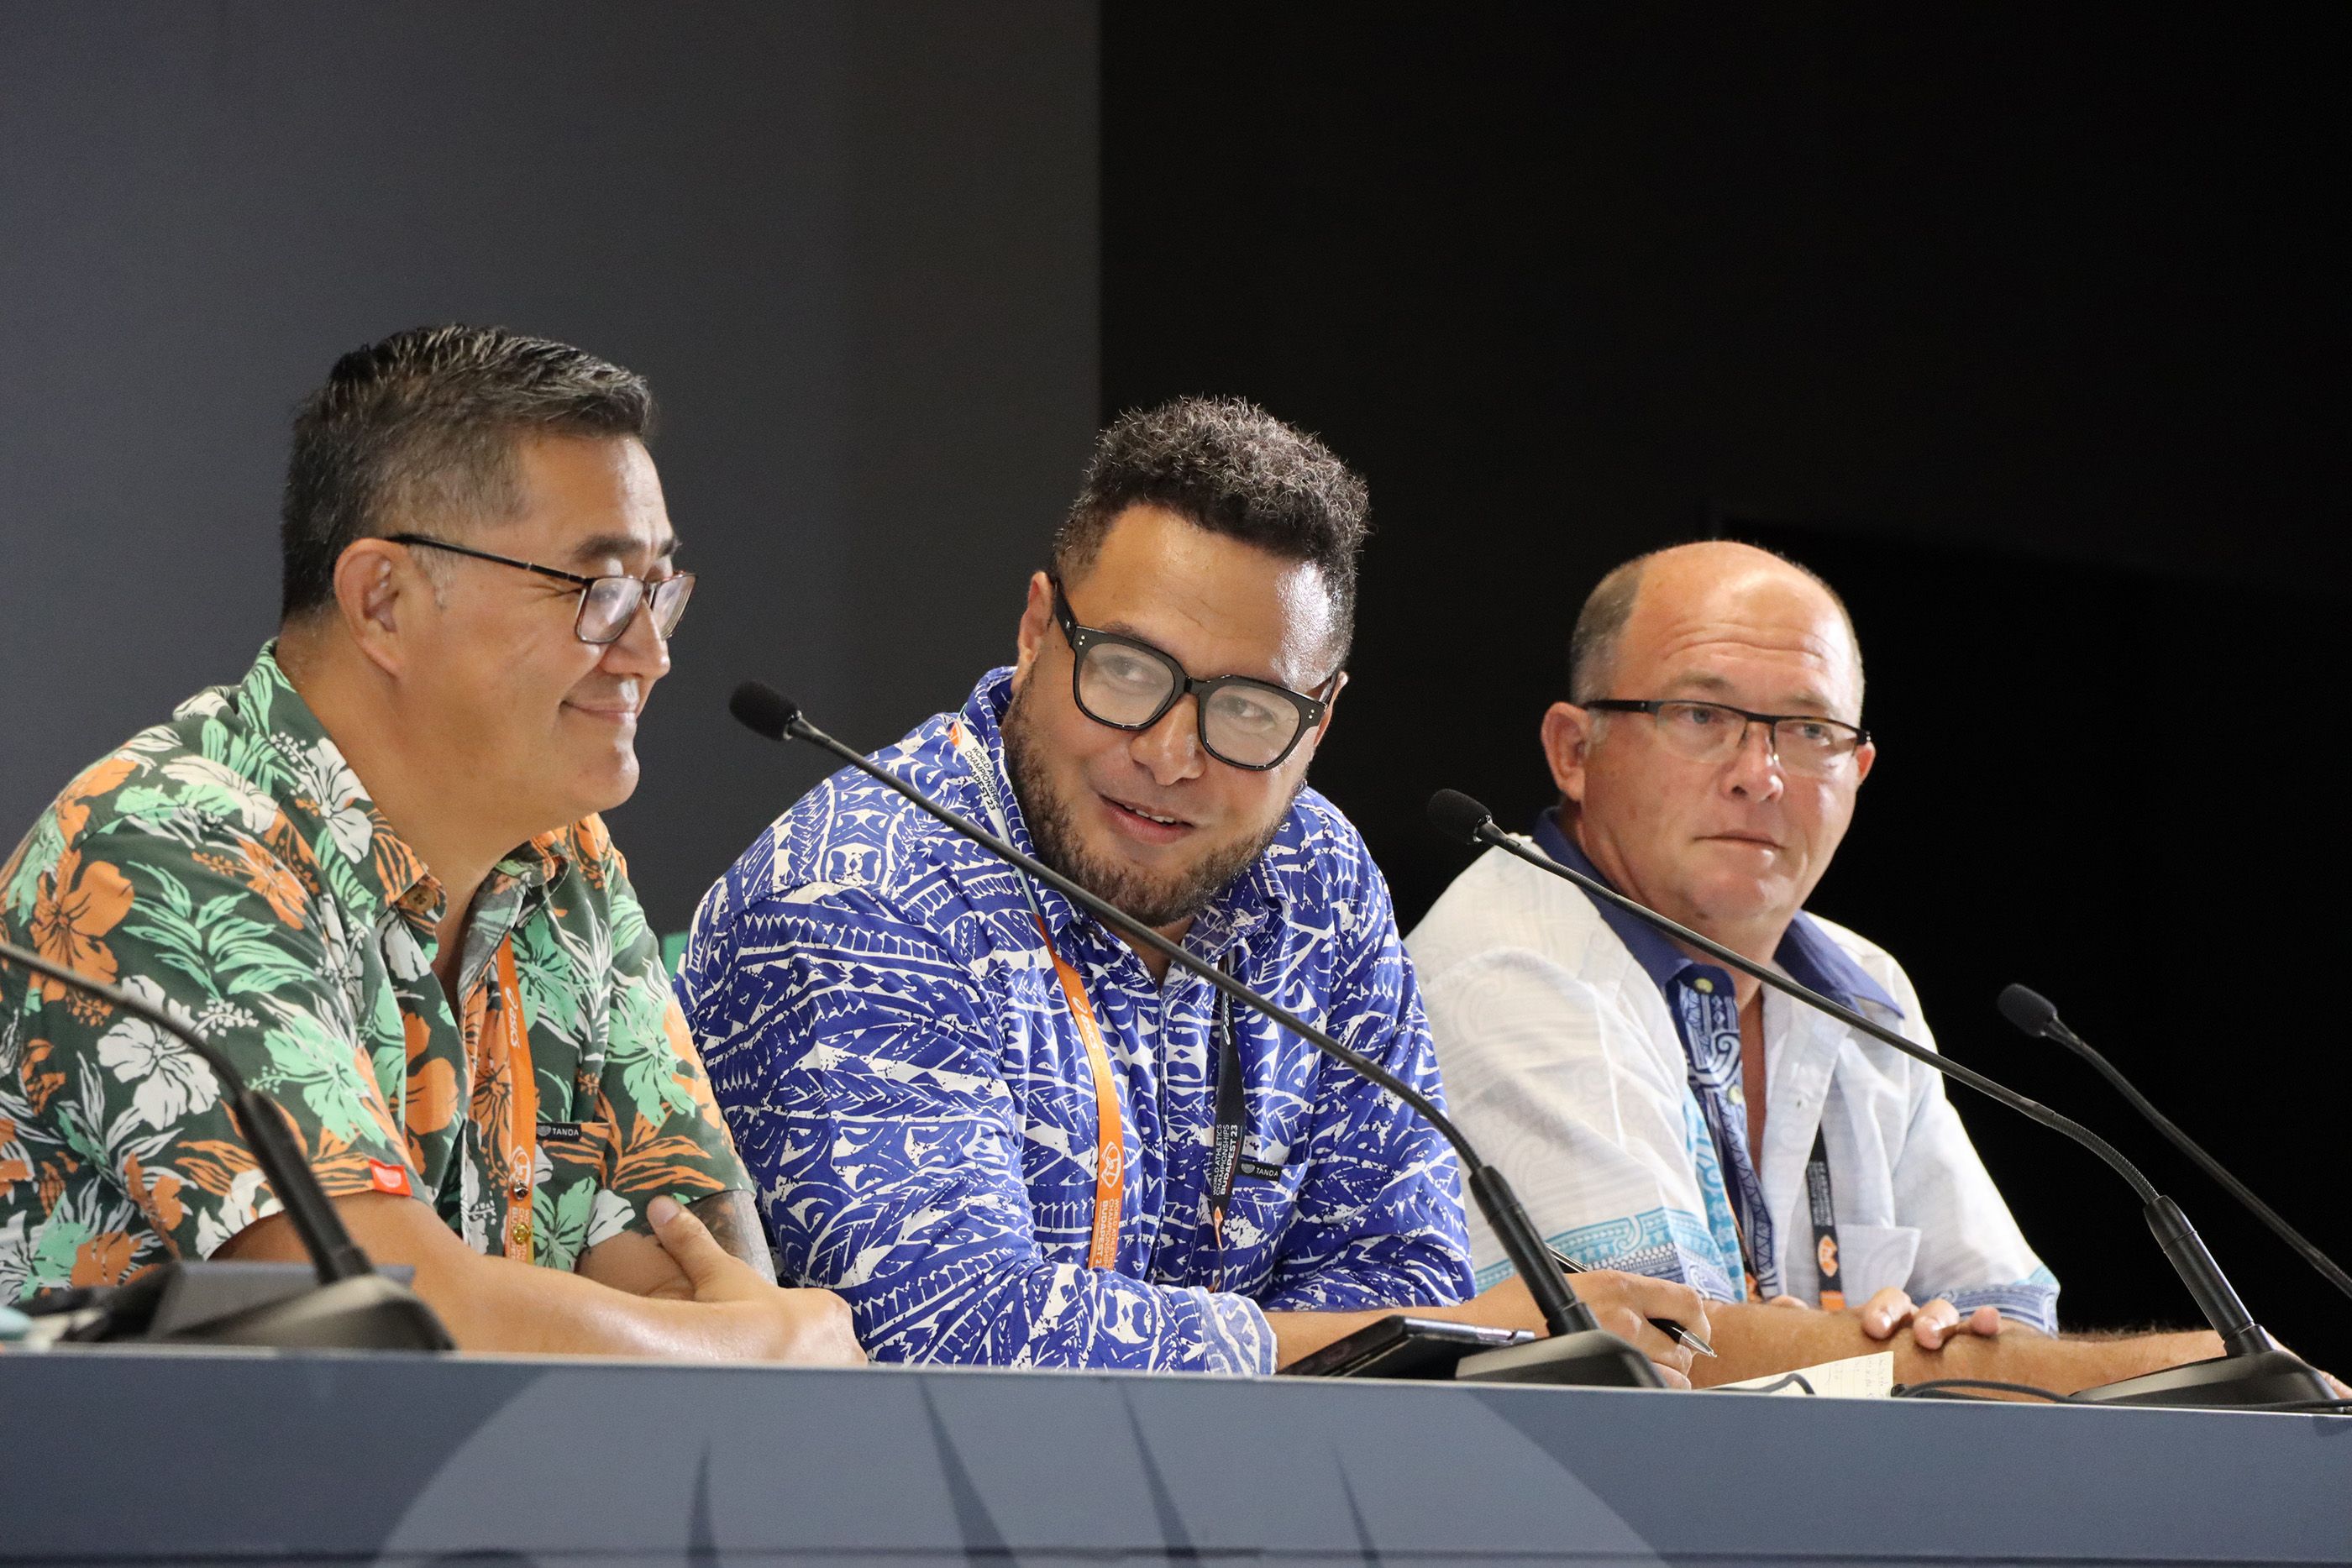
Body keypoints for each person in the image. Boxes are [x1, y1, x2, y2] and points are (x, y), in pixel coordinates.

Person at [680, 398, 1705, 1376]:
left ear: (1322, 720)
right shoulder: (861, 886)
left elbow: (1400, 1276)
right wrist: (1410, 1333)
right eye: (1127, 671)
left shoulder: (1318, 876)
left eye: (1251, 711)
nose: (1173, 756)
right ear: (1038, 629)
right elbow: (953, 1331)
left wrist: (1412, 1330)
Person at [0, 325, 860, 1364]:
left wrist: (731, 1341)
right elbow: (380, 1318)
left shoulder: (565, 866)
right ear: (383, 600)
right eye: (599, 590)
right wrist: (760, 1350)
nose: (650, 652)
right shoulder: (162, 844)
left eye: (659, 588)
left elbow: (700, 1274)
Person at [1409, 540, 2226, 1391]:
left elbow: (2006, 1322)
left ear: (1857, 769)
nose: (1759, 776)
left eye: (1808, 732)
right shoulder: (1508, 964)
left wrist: (1897, 1344)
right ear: (1575, 750)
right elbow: (1663, 1352)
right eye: (1700, 715)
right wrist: (2182, 1365)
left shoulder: (1865, 989)